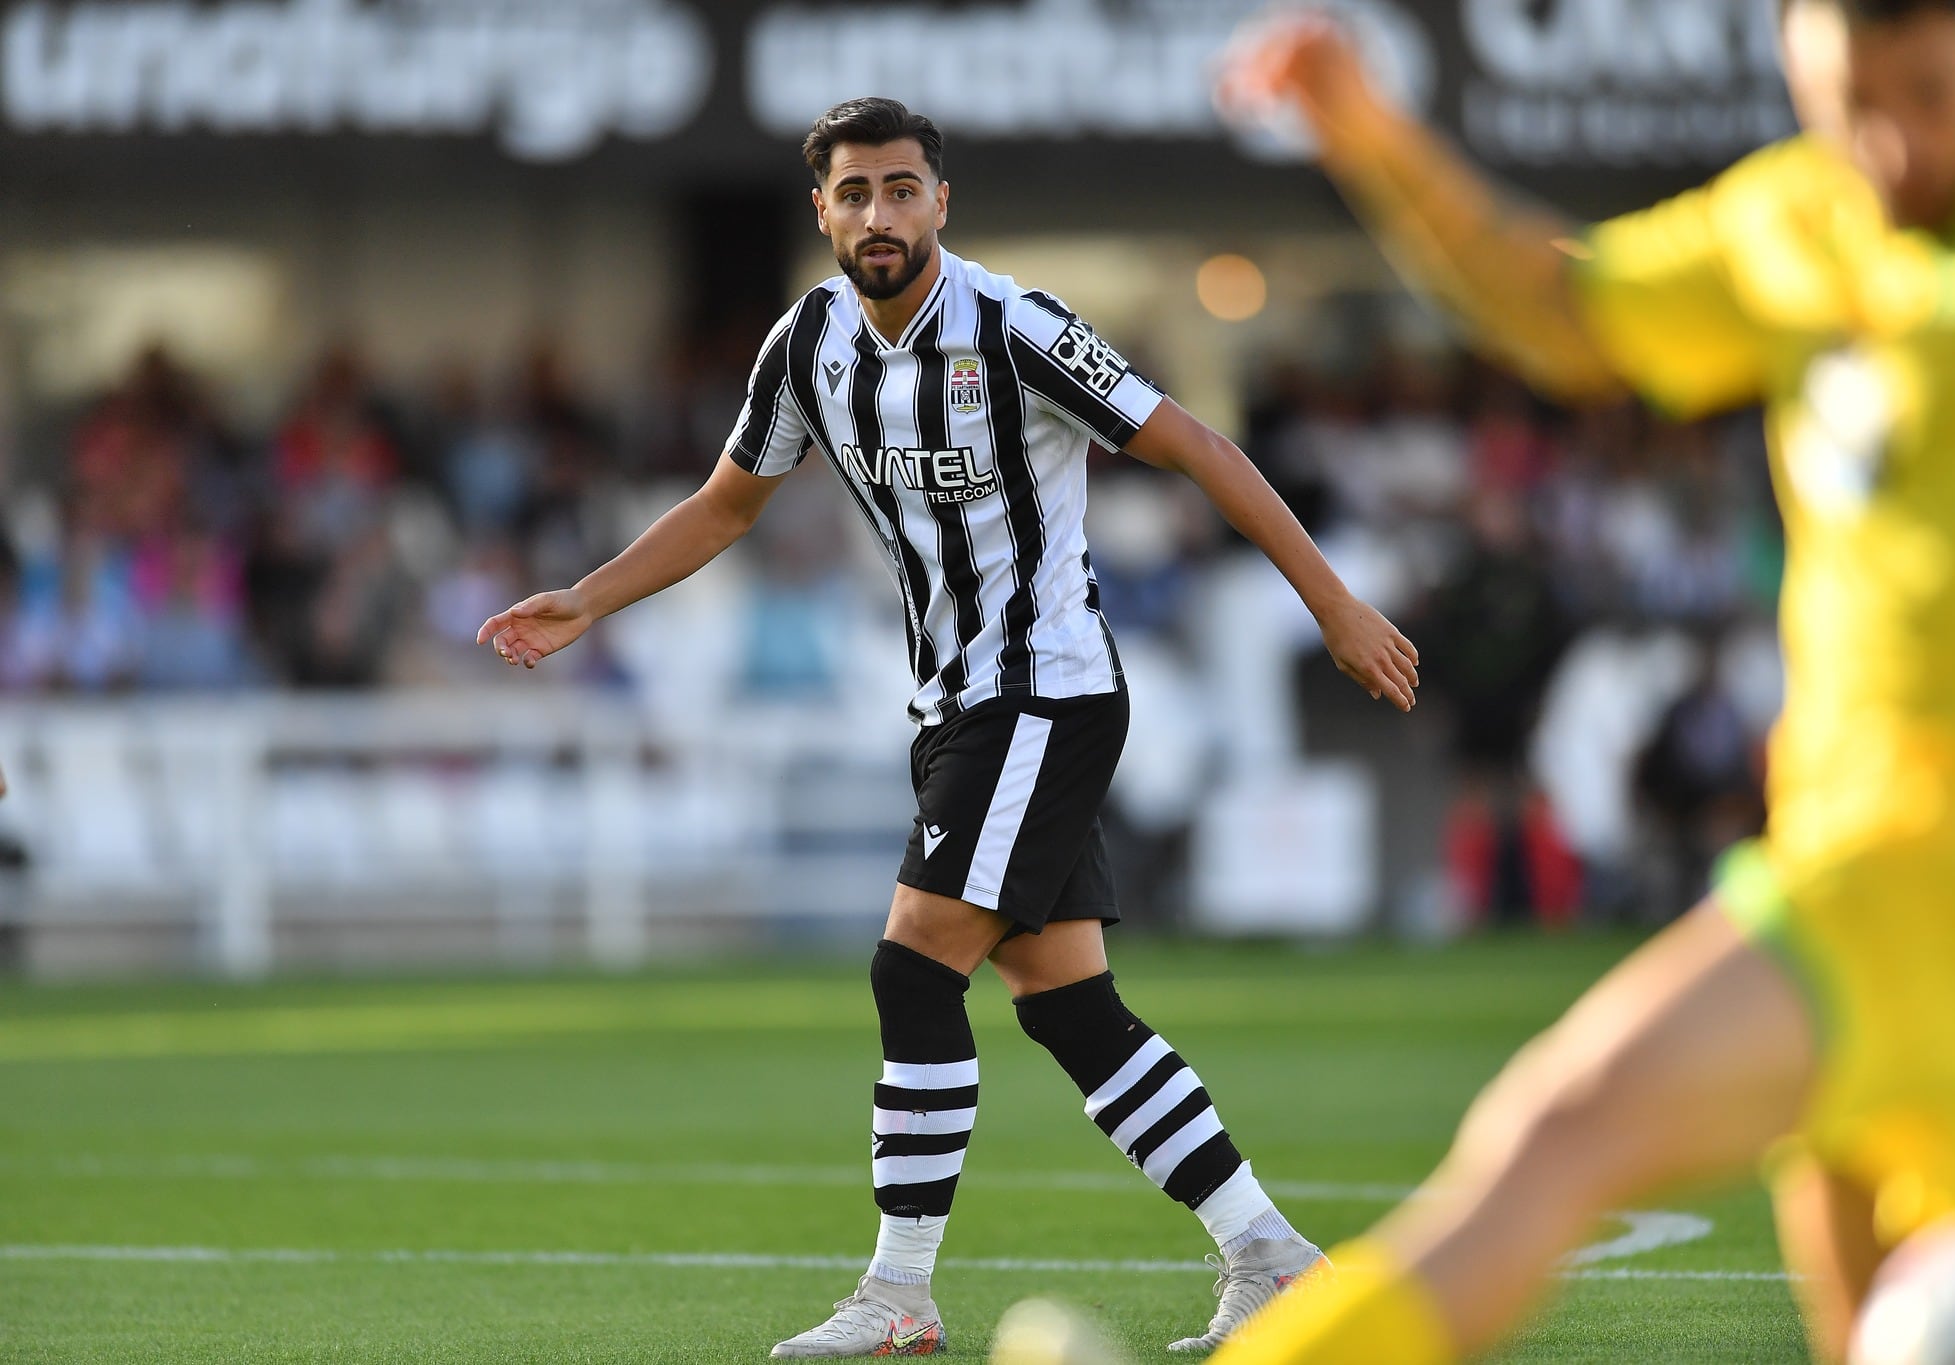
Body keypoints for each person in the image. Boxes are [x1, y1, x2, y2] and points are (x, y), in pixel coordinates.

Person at [476, 96, 1421, 1359]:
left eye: (902, 188)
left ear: (939, 202)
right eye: (854, 192)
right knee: (1067, 1004)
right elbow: (723, 505)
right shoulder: (806, 341)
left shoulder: (1015, 327)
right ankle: (1271, 1254)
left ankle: (897, 1295)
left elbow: (1192, 445)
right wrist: (589, 599)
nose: (879, 213)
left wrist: (1333, 605)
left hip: (1045, 688)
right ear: (820, 211)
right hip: (952, 707)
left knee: (912, 962)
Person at [1189, 1, 1955, 1360]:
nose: (1891, 144)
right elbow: (1559, 308)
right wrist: (1371, 137)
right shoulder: (1797, 224)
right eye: (1849, 100)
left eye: (1931, 95)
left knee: (1558, 1133)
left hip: (1952, 868)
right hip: (1855, 853)